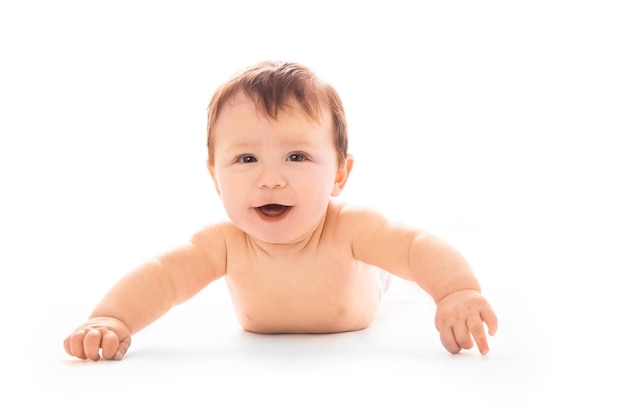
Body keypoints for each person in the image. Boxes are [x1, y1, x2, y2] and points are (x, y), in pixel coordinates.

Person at [63, 60, 498, 361]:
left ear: (339, 175)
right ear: (215, 177)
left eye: (296, 157)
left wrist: (456, 292)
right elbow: (164, 277)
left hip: (364, 284)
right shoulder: (224, 243)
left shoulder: (349, 227)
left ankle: (381, 278)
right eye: (246, 159)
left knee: (389, 267)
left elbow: (415, 247)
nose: (270, 179)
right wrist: (111, 318)